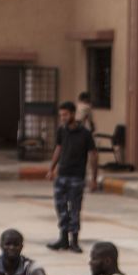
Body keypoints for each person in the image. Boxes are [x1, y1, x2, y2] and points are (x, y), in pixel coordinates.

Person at [46, 101, 100, 252]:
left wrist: (93, 178)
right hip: (61, 175)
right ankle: (63, 239)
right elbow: (58, 148)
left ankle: (74, 241)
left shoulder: (85, 134)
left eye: (65, 114)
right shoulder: (62, 131)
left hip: (76, 177)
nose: (62, 117)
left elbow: (93, 155)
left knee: (75, 209)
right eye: (61, 115)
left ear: (72, 114)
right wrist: (52, 168)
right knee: (61, 207)